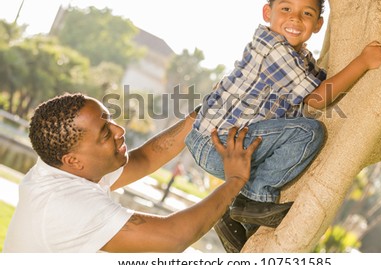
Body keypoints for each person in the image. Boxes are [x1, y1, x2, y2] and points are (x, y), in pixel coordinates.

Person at [185, 0, 381, 252]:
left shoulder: (301, 59)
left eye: (306, 13)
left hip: (230, 143)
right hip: (218, 144)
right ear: (267, 12)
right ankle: (253, 201)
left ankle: (232, 213)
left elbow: (323, 83)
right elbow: (317, 98)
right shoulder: (272, 47)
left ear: (318, 25)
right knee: (308, 132)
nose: (295, 19)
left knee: (295, 129)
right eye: (286, 9)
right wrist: (363, 62)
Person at [3, 93, 261, 252]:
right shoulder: (64, 206)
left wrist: (204, 113)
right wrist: (235, 180)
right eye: (105, 134)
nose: (119, 130)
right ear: (74, 161)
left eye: (109, 119)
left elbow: (146, 158)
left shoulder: (64, 167)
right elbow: (173, 237)